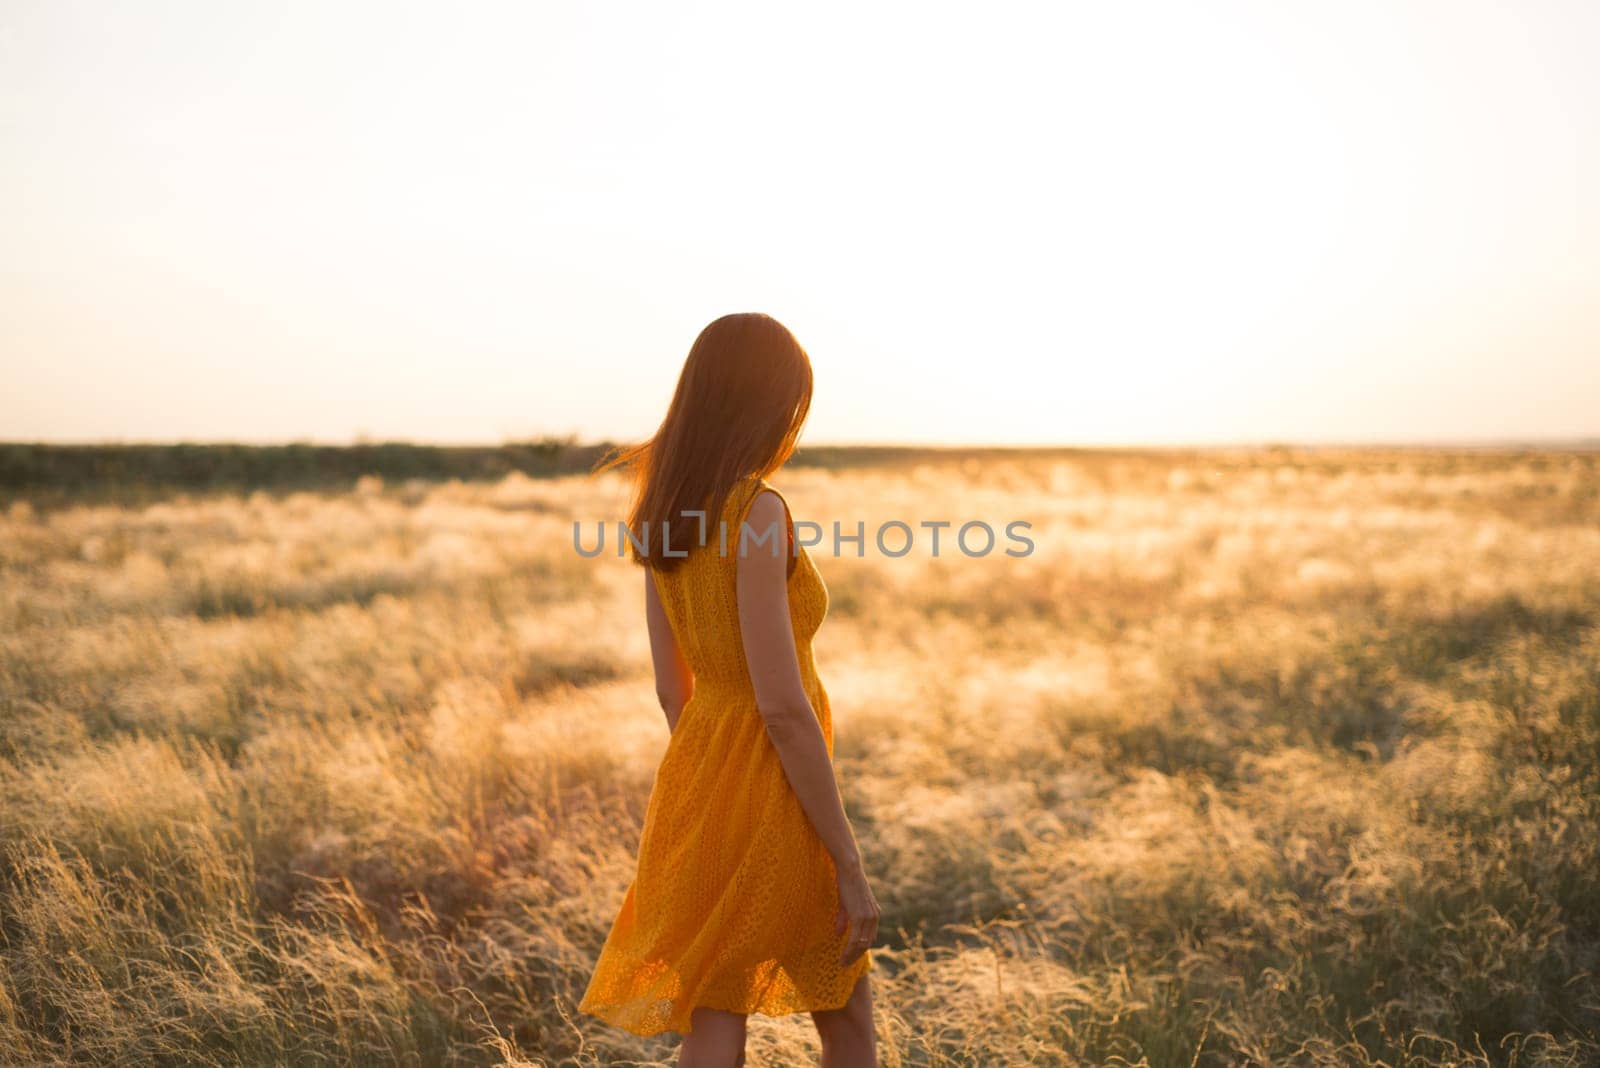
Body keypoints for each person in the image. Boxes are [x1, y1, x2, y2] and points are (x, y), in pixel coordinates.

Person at [578, 312, 880, 1067]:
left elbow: (670, 690)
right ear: (767, 407)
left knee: (715, 1019)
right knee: (845, 1016)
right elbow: (782, 707)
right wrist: (846, 859)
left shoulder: (662, 511)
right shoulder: (758, 513)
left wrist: (714, 786)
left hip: (698, 783)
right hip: (777, 793)